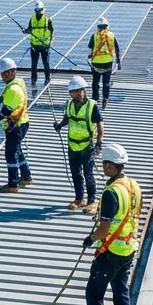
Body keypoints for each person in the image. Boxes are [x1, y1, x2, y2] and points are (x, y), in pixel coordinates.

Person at [73, 143, 141, 305]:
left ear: (112, 166)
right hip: (128, 248)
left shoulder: (112, 192)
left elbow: (103, 229)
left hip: (112, 250)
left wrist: (91, 239)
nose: (103, 168)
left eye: (106, 165)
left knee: (94, 294)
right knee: (121, 292)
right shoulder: (132, 185)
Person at [53, 76, 104, 212]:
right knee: (75, 173)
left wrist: (99, 142)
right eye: (72, 92)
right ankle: (79, 198)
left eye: (77, 91)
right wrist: (60, 125)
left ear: (83, 90)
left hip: (87, 146)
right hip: (72, 145)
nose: (74, 94)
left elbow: (100, 125)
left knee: (88, 174)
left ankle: (92, 200)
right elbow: (67, 118)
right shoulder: (69, 104)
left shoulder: (91, 106)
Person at [0, 57, 32, 193]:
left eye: (7, 73)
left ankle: (13, 185)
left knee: (10, 155)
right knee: (17, 150)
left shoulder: (13, 90)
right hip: (21, 123)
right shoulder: (18, 83)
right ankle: (26, 176)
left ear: (13, 71)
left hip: (15, 126)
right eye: (3, 73)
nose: (4, 76)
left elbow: (4, 113)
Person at [88, 16, 118, 108]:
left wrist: (90, 57)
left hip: (96, 63)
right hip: (108, 63)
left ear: (98, 27)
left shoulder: (94, 36)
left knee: (95, 81)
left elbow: (90, 50)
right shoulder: (112, 35)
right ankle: (105, 98)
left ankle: (95, 98)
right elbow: (117, 48)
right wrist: (118, 61)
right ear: (107, 26)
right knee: (106, 82)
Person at [24, 0, 54, 90]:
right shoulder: (32, 19)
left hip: (44, 45)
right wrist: (26, 31)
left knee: (45, 63)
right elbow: (30, 29)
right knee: (34, 64)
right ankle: (34, 80)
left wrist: (49, 42)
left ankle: (47, 78)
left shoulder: (47, 20)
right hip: (34, 45)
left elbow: (51, 31)